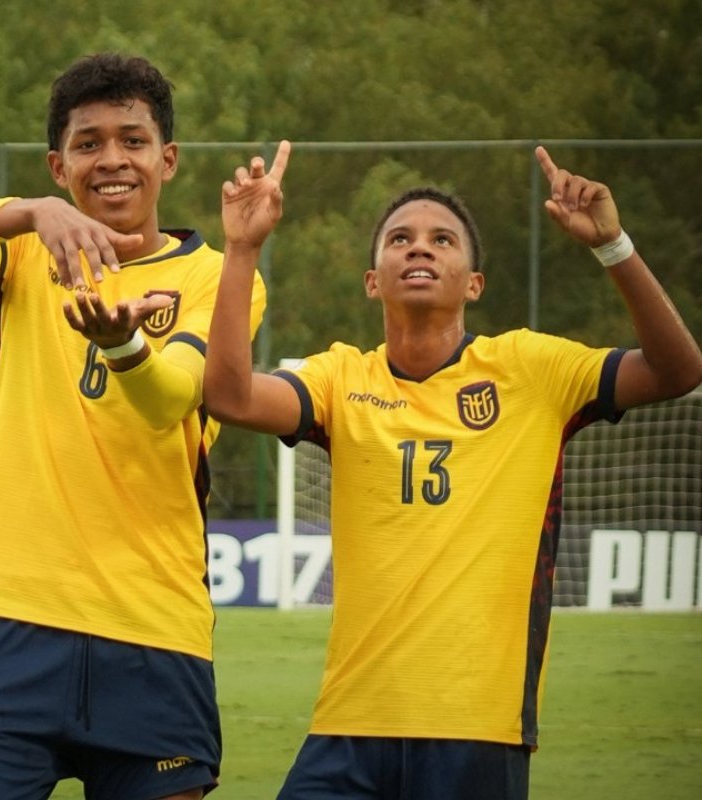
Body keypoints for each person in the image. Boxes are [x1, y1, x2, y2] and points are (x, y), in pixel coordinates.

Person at [203, 146, 702, 799]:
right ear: (372, 280)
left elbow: (677, 370)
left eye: (442, 240)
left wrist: (613, 246)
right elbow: (230, 396)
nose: (419, 249)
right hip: (348, 728)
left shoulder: (532, 370)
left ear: (474, 283)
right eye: (400, 239)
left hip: (478, 731)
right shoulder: (340, 377)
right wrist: (242, 250)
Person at [0, 53, 271, 799]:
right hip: (6, 620)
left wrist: (124, 344)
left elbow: (171, 399)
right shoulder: (27, 254)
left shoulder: (215, 278)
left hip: (153, 627)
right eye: (88, 143)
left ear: (167, 160)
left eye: (132, 141)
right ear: (57, 164)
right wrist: (30, 212)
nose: (112, 160)